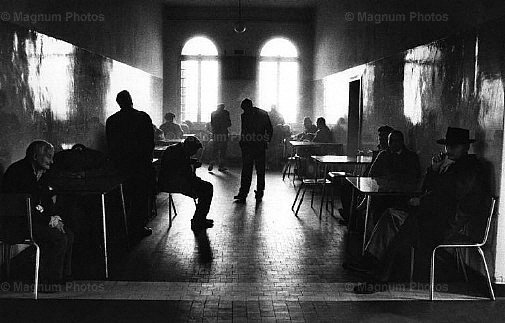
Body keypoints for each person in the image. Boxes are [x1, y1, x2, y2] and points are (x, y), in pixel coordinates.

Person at [354, 127, 487, 293]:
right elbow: (428, 189)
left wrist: (422, 201)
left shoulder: (470, 168)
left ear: (466, 147)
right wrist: (434, 169)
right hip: (435, 215)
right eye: (448, 146)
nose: (449, 150)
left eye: (455, 146)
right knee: (391, 215)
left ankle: (380, 277)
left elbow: (451, 197)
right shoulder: (453, 165)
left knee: (405, 226)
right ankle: (371, 260)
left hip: (448, 223)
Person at [1, 140, 74, 286]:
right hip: (18, 224)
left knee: (67, 233)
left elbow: (46, 201)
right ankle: (50, 281)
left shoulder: (42, 173)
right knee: (58, 238)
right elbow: (27, 205)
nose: (52, 161)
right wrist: (50, 220)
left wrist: (56, 219)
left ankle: (62, 277)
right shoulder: (18, 173)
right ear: (35, 156)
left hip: (34, 220)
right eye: (48, 157)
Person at [106, 90, 154, 239]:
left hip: (121, 166)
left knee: (123, 197)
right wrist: (147, 162)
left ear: (118, 103)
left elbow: (111, 145)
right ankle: (138, 227)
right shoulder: (143, 117)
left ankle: (121, 228)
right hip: (140, 165)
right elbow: (150, 143)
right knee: (140, 197)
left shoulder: (112, 120)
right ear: (131, 100)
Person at [339, 125, 394, 223]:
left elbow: (374, 173)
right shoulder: (380, 152)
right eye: (380, 138)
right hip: (370, 181)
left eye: (383, 138)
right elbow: (371, 171)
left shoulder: (388, 155)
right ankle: (351, 215)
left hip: (380, 186)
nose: (381, 140)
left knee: (349, 188)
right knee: (345, 184)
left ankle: (352, 216)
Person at [158, 136, 214, 230]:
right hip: (174, 183)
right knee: (207, 188)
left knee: (205, 187)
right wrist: (195, 182)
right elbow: (185, 175)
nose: (194, 153)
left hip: (169, 181)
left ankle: (199, 219)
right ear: (189, 147)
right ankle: (198, 220)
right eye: (194, 151)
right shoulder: (180, 154)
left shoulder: (176, 150)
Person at [234, 99, 273, 202]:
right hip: (257, 145)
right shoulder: (263, 114)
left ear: (248, 107)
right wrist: (266, 140)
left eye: (245, 109)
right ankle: (258, 192)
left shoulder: (245, 115)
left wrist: (243, 141)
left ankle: (244, 193)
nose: (244, 111)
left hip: (249, 146)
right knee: (259, 170)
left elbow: (244, 130)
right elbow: (269, 129)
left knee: (247, 170)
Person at [208, 103, 231, 172]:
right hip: (223, 133)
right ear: (223, 107)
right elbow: (229, 123)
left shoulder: (213, 113)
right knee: (223, 150)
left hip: (215, 133)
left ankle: (211, 163)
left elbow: (212, 124)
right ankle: (221, 166)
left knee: (215, 149)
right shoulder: (226, 113)